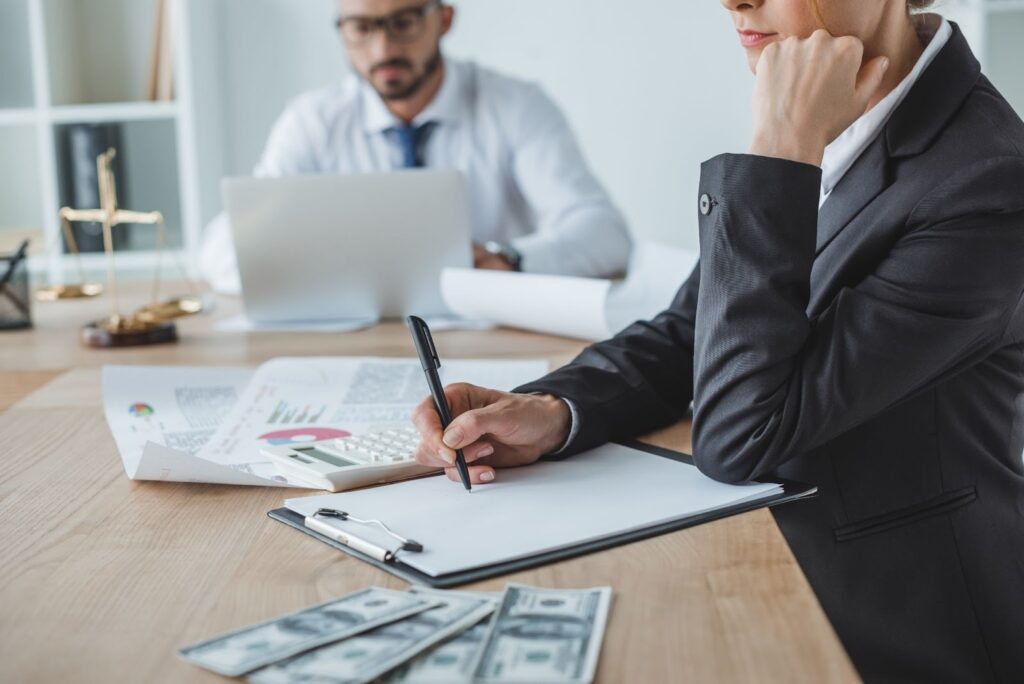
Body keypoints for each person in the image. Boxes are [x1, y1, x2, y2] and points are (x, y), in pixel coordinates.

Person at [411, 0, 1024, 679]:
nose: (733, 2)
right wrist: (556, 410)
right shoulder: (848, 114)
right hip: (770, 572)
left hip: (896, 633)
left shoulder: (987, 181)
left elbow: (743, 437)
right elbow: (691, 330)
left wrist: (780, 149)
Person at [199, 0, 631, 294]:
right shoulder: (312, 121)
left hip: (491, 337)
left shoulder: (516, 106)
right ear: (342, 30)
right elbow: (220, 254)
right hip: (355, 342)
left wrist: (507, 261)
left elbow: (605, 236)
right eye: (362, 27)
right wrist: (332, 264)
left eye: (403, 23)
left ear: (443, 19)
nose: (383, 48)